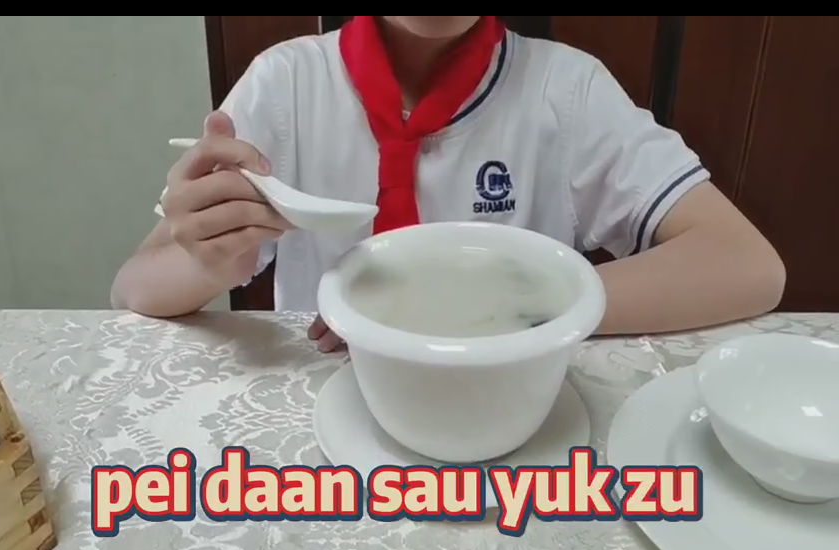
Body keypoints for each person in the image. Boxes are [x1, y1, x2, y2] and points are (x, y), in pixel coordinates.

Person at [111, 16, 786, 353]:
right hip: (330, 414)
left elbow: (745, 264)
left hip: (511, 411)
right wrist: (212, 259)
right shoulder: (286, 83)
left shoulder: (566, 90)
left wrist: (511, 308)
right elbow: (133, 289)